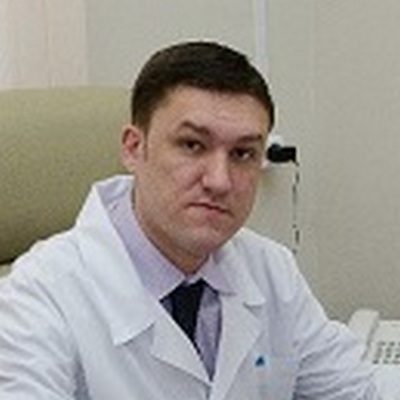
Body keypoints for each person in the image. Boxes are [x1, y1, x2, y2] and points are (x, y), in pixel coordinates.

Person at [0, 41, 380, 399]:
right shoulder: (39, 296)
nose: (219, 181)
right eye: (192, 145)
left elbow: (357, 392)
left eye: (243, 154)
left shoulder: (269, 269)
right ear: (134, 148)